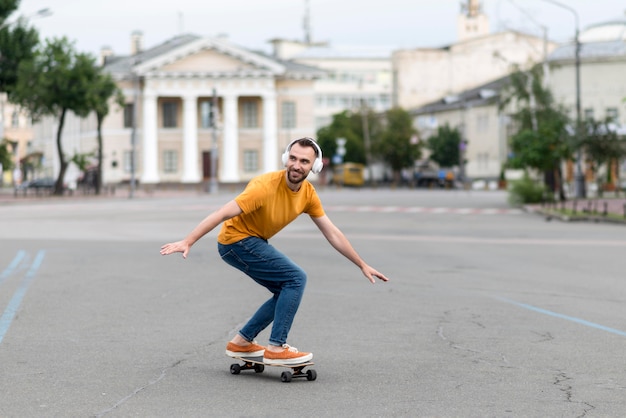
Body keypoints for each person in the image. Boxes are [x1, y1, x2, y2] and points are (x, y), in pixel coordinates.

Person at [160, 137, 389, 365]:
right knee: (295, 278)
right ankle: (277, 348)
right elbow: (222, 213)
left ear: (315, 166)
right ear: (285, 159)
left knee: (286, 289)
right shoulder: (264, 186)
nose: (296, 165)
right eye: (293, 158)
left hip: (252, 241)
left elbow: (332, 233)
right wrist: (188, 241)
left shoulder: (308, 194)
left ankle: (242, 341)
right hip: (236, 241)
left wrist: (361, 264)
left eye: (304, 161)